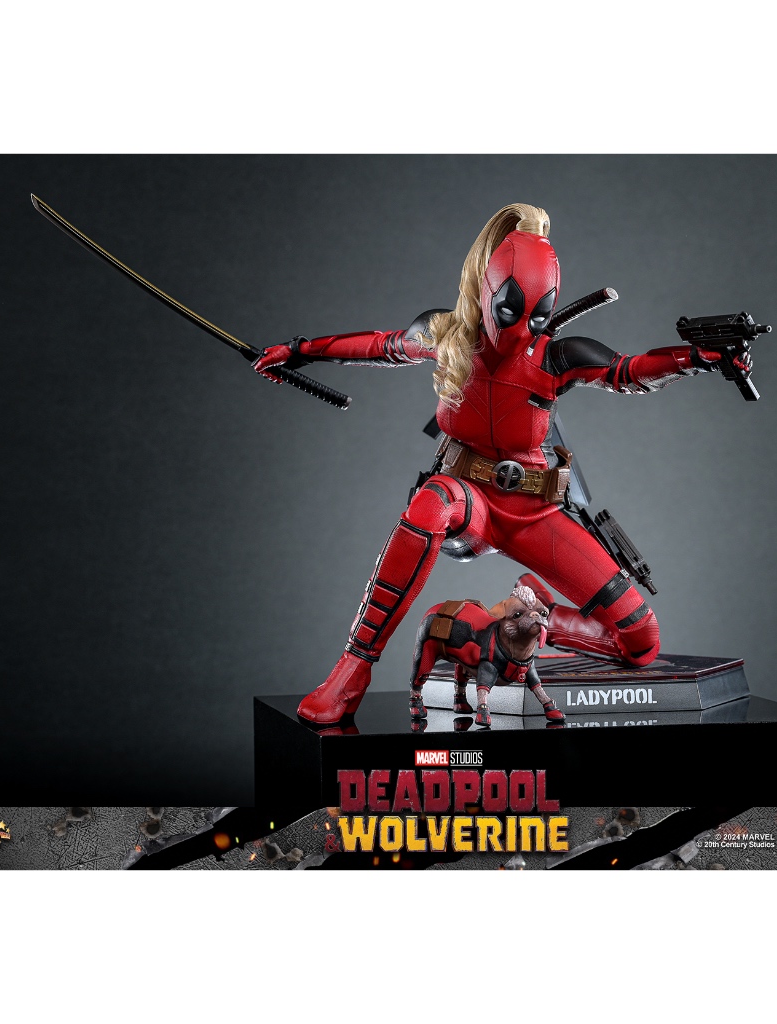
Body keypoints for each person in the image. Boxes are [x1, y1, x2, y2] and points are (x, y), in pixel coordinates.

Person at [253, 203, 749, 724]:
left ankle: (543, 619)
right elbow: (379, 346)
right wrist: (298, 350)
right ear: (486, 290)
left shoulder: (556, 356)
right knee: (431, 504)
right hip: (469, 502)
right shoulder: (446, 336)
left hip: (533, 514)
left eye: (538, 315)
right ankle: (352, 669)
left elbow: (628, 371)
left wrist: (697, 358)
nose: (521, 329)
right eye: (511, 310)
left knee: (642, 640)